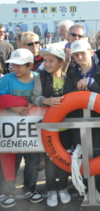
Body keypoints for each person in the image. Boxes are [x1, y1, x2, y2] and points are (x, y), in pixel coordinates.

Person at [63, 39, 100, 192]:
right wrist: (82, 91)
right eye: (76, 55)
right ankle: (82, 185)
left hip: (97, 120)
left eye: (83, 53)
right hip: (77, 120)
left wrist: (91, 83)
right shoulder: (70, 74)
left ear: (91, 52)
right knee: (79, 152)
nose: (80, 57)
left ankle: (96, 185)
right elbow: (66, 96)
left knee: (97, 152)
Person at [0, 48, 43, 208]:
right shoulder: (7, 79)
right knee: (10, 161)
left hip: (33, 129)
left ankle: (30, 188)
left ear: (30, 65)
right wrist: (15, 105)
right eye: (13, 65)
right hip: (10, 129)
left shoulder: (39, 79)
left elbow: (42, 98)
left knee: (32, 161)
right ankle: (6, 192)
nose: (15, 68)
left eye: (19, 65)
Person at [31, 45, 71, 207]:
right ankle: (51, 189)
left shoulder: (69, 78)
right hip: (48, 125)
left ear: (61, 63)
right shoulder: (40, 77)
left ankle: (63, 187)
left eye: (51, 61)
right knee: (50, 159)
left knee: (65, 157)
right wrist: (46, 101)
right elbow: (35, 98)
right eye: (45, 60)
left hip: (67, 126)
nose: (46, 64)